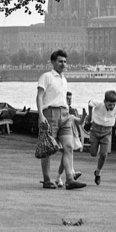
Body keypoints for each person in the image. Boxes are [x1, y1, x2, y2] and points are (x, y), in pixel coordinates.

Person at [36, 50, 85, 190]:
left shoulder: (64, 79)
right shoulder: (46, 77)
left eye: (65, 61)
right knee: (47, 148)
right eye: (60, 61)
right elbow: (39, 96)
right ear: (53, 62)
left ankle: (70, 178)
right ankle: (47, 179)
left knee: (68, 147)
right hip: (50, 113)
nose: (63, 64)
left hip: (65, 114)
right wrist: (40, 114)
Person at [87, 89, 116, 185]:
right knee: (93, 153)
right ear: (105, 102)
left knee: (104, 154)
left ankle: (98, 172)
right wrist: (90, 117)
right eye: (110, 105)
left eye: (113, 105)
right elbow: (90, 103)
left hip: (107, 131)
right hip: (95, 129)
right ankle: (96, 148)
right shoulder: (99, 104)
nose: (112, 107)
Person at [56, 90, 84, 187]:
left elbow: (80, 121)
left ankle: (64, 176)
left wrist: (84, 115)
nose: (69, 100)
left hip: (70, 136)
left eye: (70, 99)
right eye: (67, 99)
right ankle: (68, 174)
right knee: (67, 155)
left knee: (66, 156)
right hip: (64, 136)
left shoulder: (70, 111)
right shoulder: (63, 111)